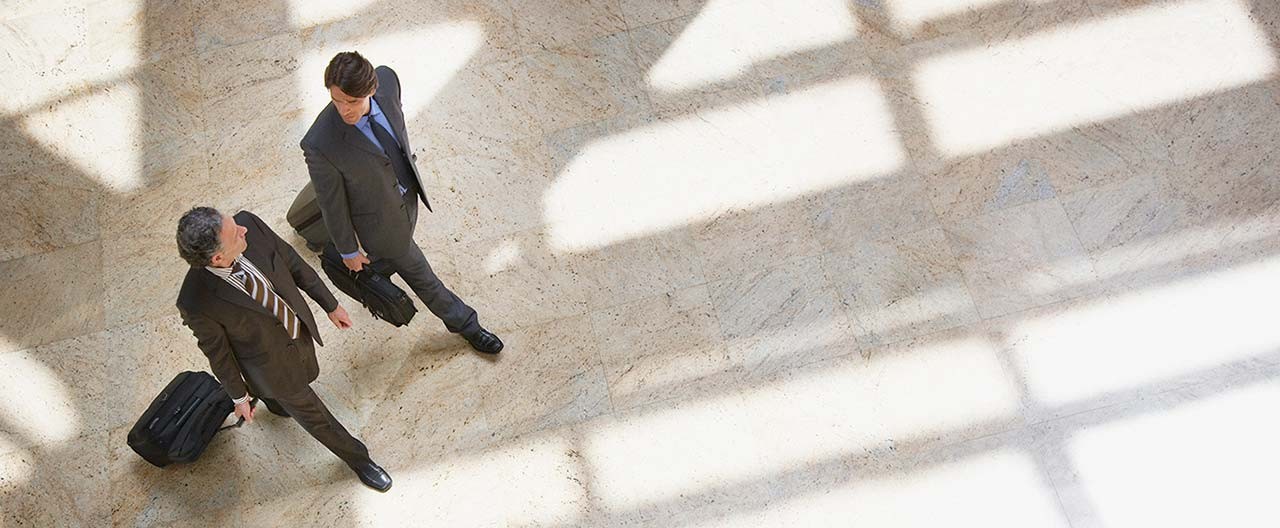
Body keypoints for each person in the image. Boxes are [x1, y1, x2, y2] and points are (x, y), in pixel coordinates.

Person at [175, 207, 392, 492]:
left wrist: (330, 304)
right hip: (269, 366)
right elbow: (219, 354)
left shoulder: (249, 223)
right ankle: (359, 460)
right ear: (217, 258)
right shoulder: (196, 302)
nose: (243, 229)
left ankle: (275, 403)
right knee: (314, 416)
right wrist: (239, 396)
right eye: (235, 232)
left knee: (297, 381)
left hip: (296, 331)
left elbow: (291, 261)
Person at [301, 51, 503, 354]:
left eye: (352, 102)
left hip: (407, 197)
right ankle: (467, 325)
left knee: (392, 256)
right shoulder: (320, 143)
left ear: (371, 89)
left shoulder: (388, 81)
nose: (344, 110)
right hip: (379, 223)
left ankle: (380, 266)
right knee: (423, 276)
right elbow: (332, 203)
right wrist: (348, 250)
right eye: (336, 101)